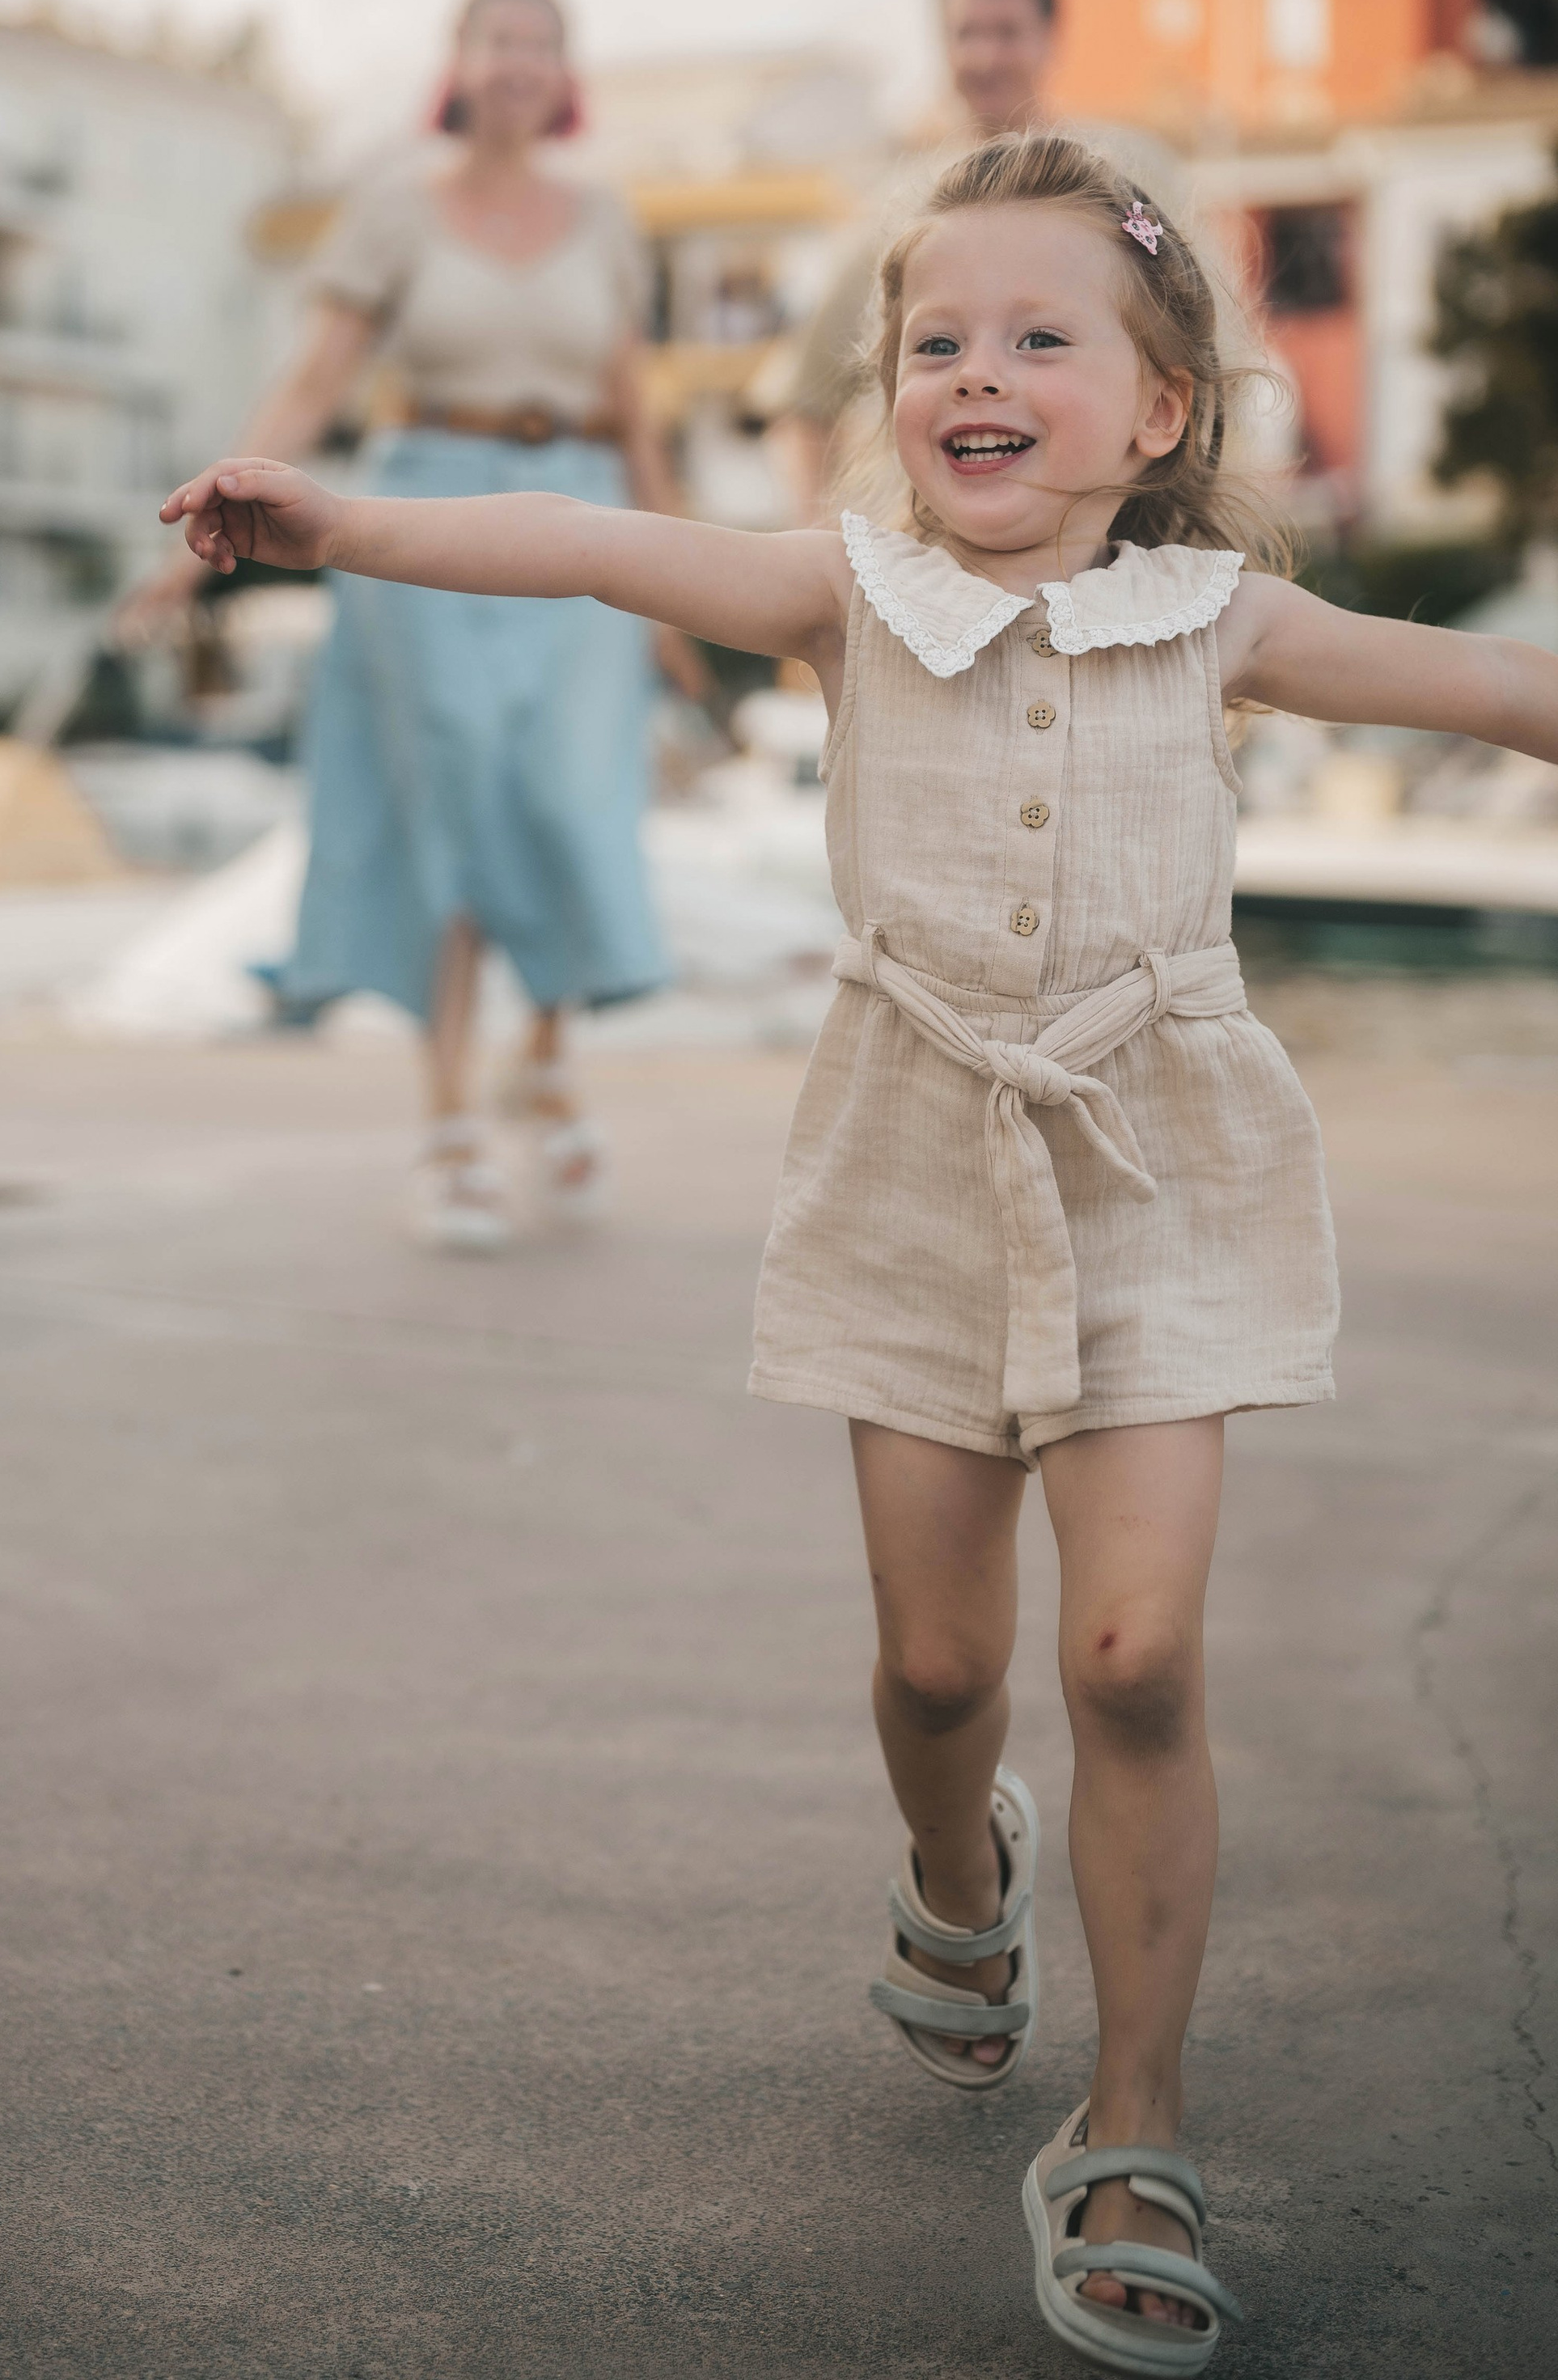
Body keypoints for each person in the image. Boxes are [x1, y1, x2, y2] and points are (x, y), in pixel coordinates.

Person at [157, 130, 1558, 2368]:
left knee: (1135, 1658)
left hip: (1160, 1153)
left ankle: (1136, 2123)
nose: (976, 375)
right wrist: (345, 525)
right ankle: (953, 1873)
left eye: (1038, 338)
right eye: (935, 342)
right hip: (916, 1157)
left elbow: (1493, 686)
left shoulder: (1231, 623)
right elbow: (592, 541)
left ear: (1160, 412)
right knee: (936, 1673)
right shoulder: (844, 590)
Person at [123, 0, 675, 1251]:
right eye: (499, 39)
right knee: (460, 811)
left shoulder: (608, 221)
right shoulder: (391, 209)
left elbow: (638, 412)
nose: (520, 61)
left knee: (572, 804)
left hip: (585, 511)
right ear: (461, 62)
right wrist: (209, 531)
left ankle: (541, 1055)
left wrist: (680, 588)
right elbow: (316, 377)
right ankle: (446, 1128)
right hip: (425, 514)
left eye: (544, 41)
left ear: (565, 69)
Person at [773, 0, 1179, 519]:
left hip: (1122, 544)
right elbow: (804, 402)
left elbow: (1201, 350)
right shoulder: (899, 210)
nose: (986, 56)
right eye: (967, 34)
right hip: (942, 561)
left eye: (1007, 32)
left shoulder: (1134, 174)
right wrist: (824, 558)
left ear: (1049, 37)